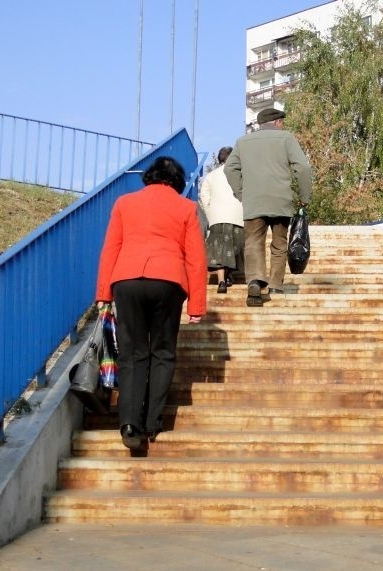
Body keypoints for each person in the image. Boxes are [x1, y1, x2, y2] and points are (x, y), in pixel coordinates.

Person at [95, 156, 207, 450]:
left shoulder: (124, 203)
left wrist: (103, 295)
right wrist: (197, 305)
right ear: (178, 181)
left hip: (127, 280)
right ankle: (152, 422)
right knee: (162, 351)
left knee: (132, 353)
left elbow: (111, 249)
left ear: (150, 177)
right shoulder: (186, 207)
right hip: (168, 282)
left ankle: (129, 424)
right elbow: (195, 259)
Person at [224, 107, 312, 307]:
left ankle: (254, 280)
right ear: (278, 122)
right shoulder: (286, 139)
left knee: (253, 242)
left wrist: (241, 192)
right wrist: (304, 197)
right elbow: (303, 167)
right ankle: (275, 286)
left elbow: (230, 168)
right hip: (281, 200)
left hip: (254, 201)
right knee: (279, 245)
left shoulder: (243, 142)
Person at [198, 146, 244, 294]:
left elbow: (204, 196)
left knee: (219, 249)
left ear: (220, 159)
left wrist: (210, 211)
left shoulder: (211, 175)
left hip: (217, 218)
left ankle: (221, 281)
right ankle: (229, 275)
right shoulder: (240, 175)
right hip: (237, 217)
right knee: (233, 248)